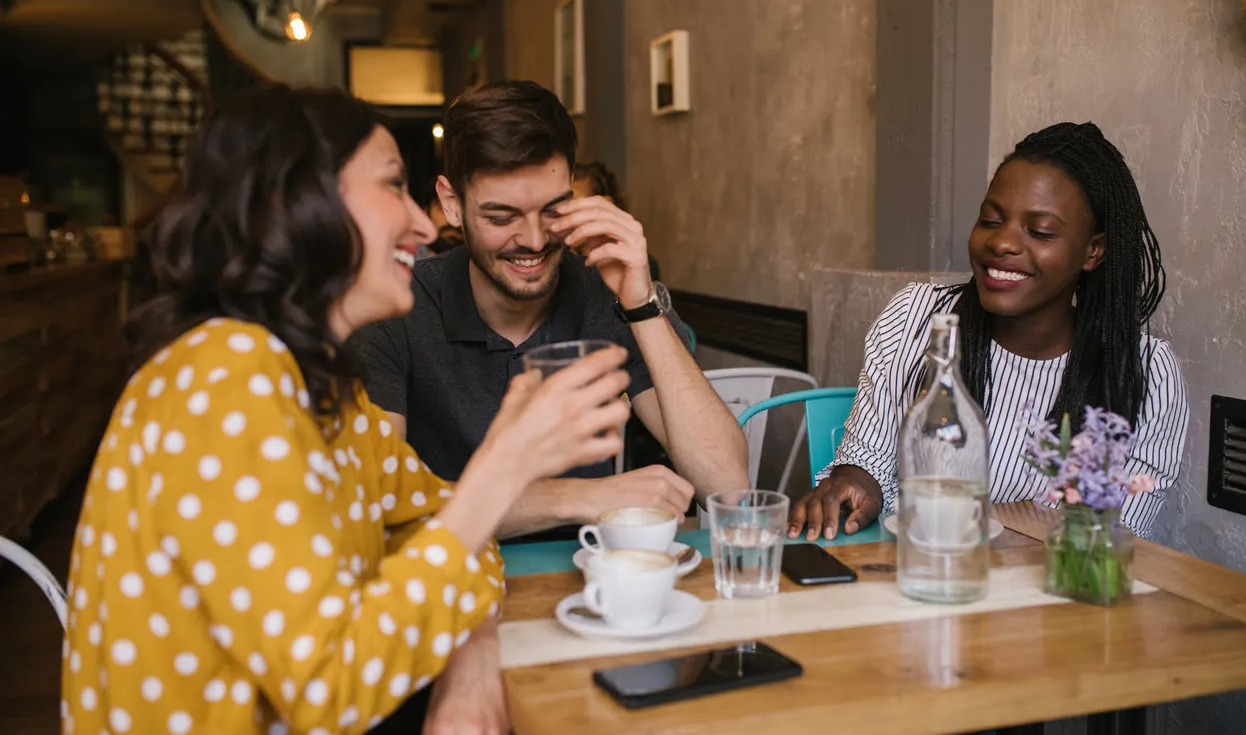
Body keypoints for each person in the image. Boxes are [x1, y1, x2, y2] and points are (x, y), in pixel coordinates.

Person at [61, 85, 632, 734]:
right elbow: (328, 691)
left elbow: (447, 529)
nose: (425, 226)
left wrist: (472, 665)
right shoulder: (223, 374)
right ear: (298, 205)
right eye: (392, 185)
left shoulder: (328, 389)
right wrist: (503, 467)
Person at [356, 81, 749, 540]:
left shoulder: (607, 294)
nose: (534, 240)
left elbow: (729, 489)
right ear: (451, 204)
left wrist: (642, 304)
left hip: (595, 576)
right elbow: (375, 508)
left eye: (553, 210)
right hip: (449, 578)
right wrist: (574, 499)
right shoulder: (397, 308)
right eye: (501, 217)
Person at [789, 121, 1188, 541]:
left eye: (1040, 231)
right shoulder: (917, 318)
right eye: (991, 220)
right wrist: (856, 483)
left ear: (1093, 250)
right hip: (916, 569)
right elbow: (866, 458)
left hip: (1046, 586)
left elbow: (1106, 537)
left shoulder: (1143, 374)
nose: (1002, 243)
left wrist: (962, 519)